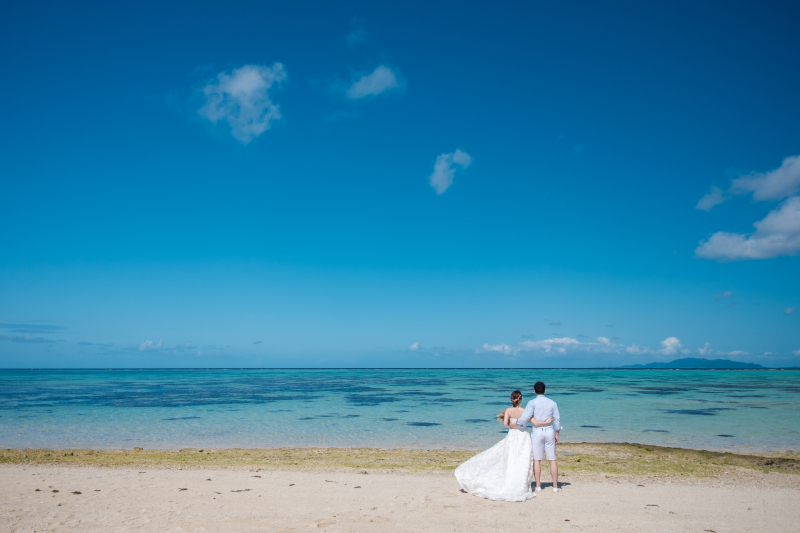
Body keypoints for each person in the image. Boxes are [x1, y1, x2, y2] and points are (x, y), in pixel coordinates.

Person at [454, 391, 552, 502]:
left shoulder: (508, 411)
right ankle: (520, 483)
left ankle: (509, 480)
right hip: (523, 437)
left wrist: (510, 421)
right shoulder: (525, 411)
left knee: (510, 459)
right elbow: (536, 423)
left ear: (512, 400)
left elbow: (506, 424)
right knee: (522, 460)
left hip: (512, 436)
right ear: (520, 399)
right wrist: (548, 422)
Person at [516, 381, 562, 492]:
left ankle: (538, 485)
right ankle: (555, 486)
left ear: (534, 391)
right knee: (552, 459)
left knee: (537, 460)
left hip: (537, 432)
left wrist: (518, 422)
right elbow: (557, 419)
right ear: (545, 391)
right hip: (549, 430)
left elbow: (526, 416)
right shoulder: (552, 403)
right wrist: (557, 433)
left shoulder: (532, 402)